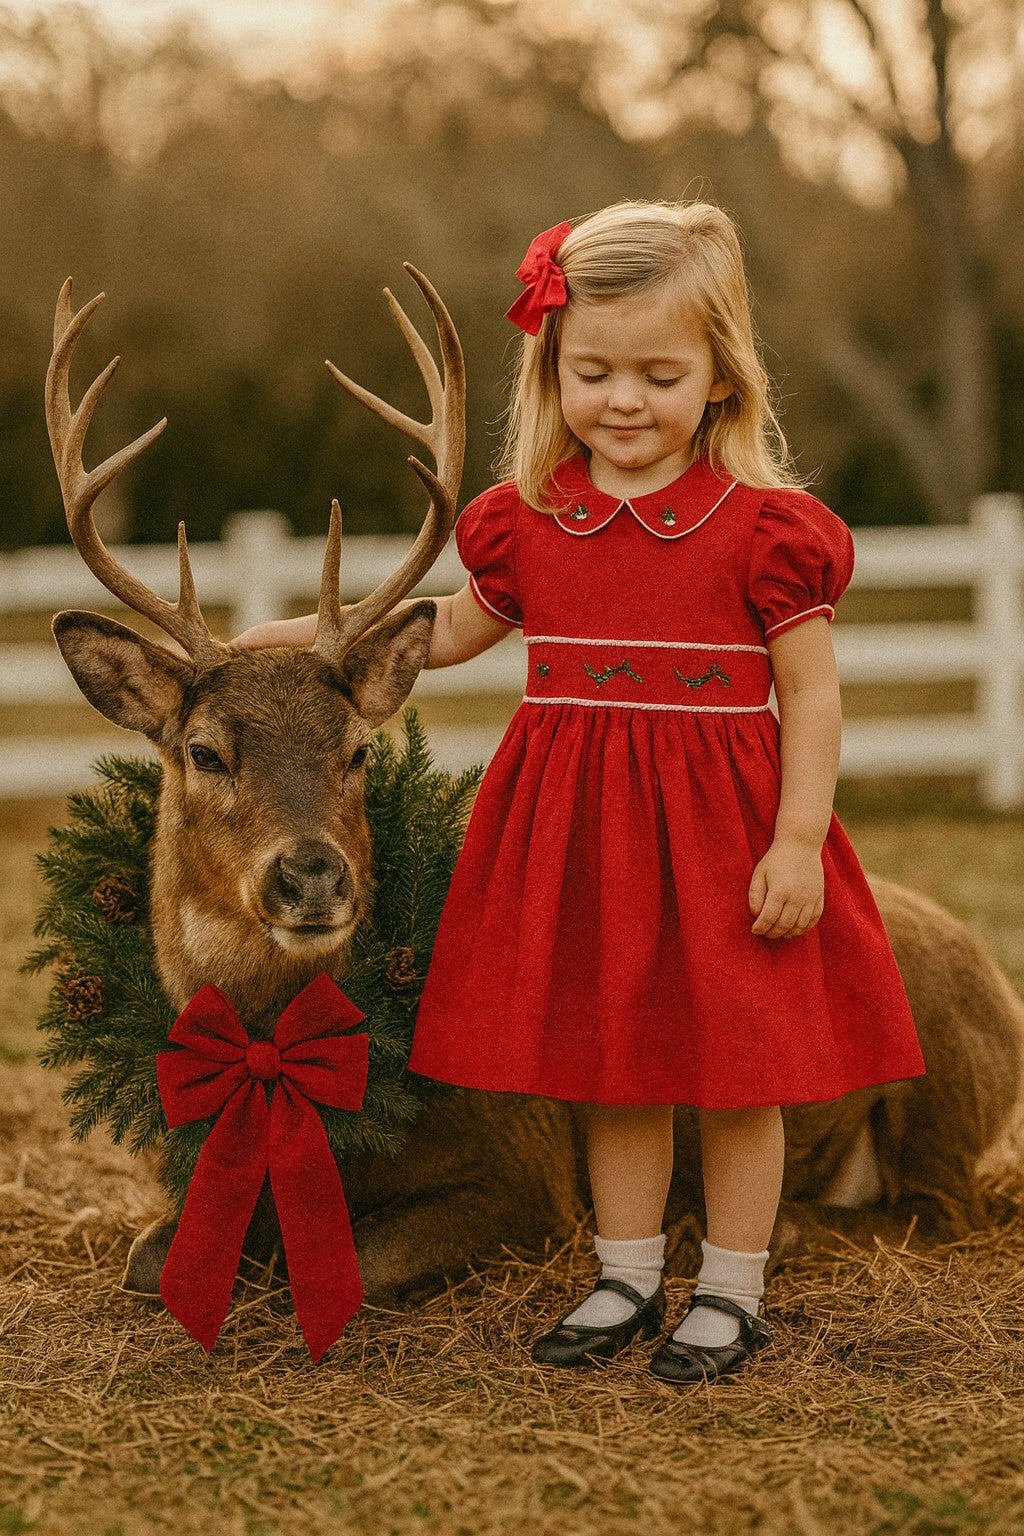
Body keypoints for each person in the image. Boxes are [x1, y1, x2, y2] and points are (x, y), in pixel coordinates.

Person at [237, 201, 926, 1383]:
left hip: (723, 838)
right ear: (551, 369)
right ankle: (624, 1273)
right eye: (591, 370)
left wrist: (799, 840)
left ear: (721, 377)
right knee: (614, 1064)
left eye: (660, 373)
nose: (621, 400)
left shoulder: (763, 533)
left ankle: (731, 1290)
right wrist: (295, 643)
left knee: (734, 1072)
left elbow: (809, 698)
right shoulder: (532, 524)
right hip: (582, 838)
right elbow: (448, 632)